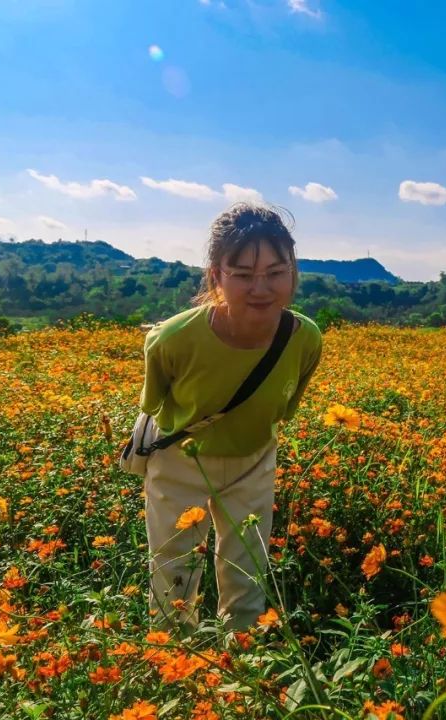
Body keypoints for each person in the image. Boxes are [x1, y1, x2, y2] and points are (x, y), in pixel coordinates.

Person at [139, 203, 322, 632]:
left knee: (248, 570)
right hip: (179, 462)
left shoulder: (305, 338)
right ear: (216, 275)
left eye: (276, 272)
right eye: (242, 274)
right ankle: (172, 662)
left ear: (293, 271)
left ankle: (240, 662)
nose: (261, 288)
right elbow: (157, 405)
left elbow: (283, 409)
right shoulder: (172, 339)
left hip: (254, 459)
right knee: (174, 567)